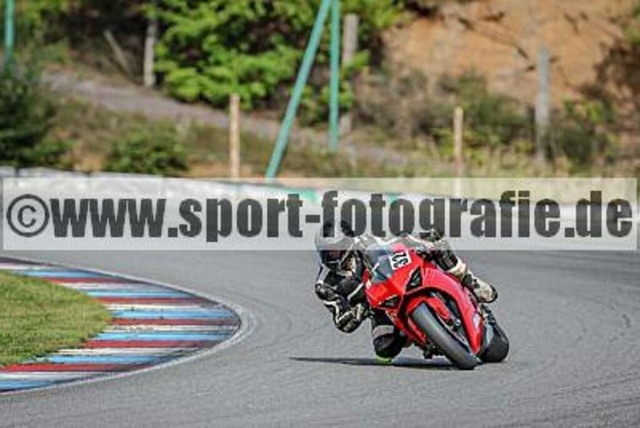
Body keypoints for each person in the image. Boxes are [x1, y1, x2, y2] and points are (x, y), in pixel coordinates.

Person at [314, 219, 498, 361]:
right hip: (380, 309)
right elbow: (342, 322)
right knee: (384, 350)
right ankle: (422, 334)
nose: (330, 257)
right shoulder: (324, 285)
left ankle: (471, 283)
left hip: (400, 278)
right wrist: (361, 309)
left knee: (435, 242)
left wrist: (420, 240)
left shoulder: (366, 241)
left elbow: (399, 240)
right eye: (326, 252)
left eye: (334, 251)